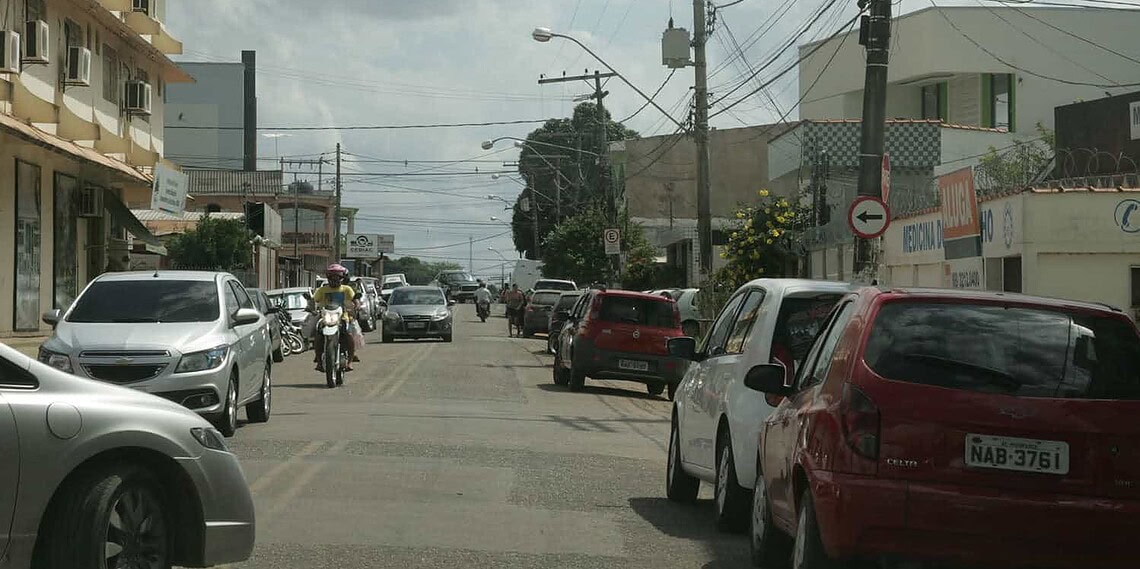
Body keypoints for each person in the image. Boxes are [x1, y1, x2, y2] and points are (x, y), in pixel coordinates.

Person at [312, 264, 361, 372]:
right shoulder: (322, 290)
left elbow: (355, 300)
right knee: (318, 335)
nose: (334, 279)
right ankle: (319, 361)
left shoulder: (346, 289)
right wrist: (310, 307)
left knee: (348, 334)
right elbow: (314, 300)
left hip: (343, 318)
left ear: (341, 278)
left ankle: (350, 361)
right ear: (328, 278)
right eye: (332, 277)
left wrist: (356, 306)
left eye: (337, 277)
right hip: (326, 318)